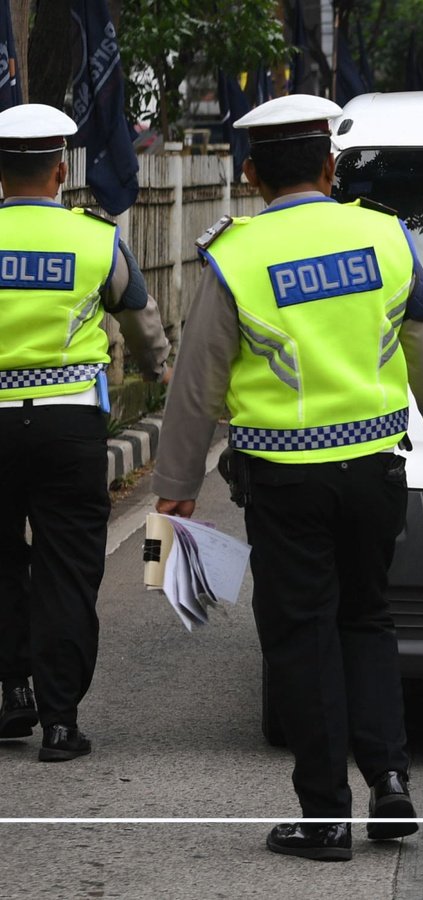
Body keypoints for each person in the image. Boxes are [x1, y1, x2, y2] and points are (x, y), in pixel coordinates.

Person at [152, 95, 423, 862]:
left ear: (252, 174)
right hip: (376, 470)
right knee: (367, 619)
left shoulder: (236, 255)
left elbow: (198, 382)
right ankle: (391, 779)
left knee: (301, 637)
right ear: (331, 165)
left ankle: (325, 815)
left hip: (283, 480)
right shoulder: (386, 236)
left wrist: (175, 487)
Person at [0, 104, 170, 762]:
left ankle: (12, 692)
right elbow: (141, 317)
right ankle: (61, 721)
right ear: (59, 172)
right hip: (70, 424)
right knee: (68, 570)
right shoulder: (96, 240)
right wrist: (156, 372)